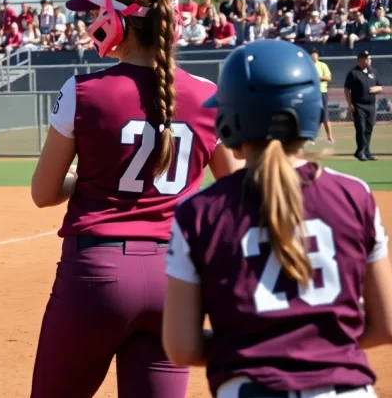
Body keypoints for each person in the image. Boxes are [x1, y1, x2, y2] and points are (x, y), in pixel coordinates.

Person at [29, 0, 242, 398]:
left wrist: (89, 179)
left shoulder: (83, 92)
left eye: (94, 12)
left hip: (96, 278)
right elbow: (237, 191)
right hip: (176, 279)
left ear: (116, 18)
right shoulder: (209, 96)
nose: (90, 22)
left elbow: (43, 193)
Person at [163, 39, 392, 398]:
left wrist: (250, 349)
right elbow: (385, 325)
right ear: (313, 114)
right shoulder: (355, 195)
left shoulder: (199, 213)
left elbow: (182, 348)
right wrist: (321, 344)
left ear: (228, 121)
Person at [344, 51, 383, 161]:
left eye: (369, 58)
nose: (369, 60)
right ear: (360, 60)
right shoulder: (353, 73)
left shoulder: (374, 72)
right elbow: (347, 89)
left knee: (369, 129)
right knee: (361, 128)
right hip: (358, 105)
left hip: (371, 106)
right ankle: (361, 151)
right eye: (366, 58)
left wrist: (378, 89)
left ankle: (366, 151)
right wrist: (350, 103)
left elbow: (380, 86)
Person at [310, 48, 334, 143]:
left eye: (315, 54)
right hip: (312, 93)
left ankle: (330, 137)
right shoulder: (308, 65)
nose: (314, 56)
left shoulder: (323, 65)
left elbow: (328, 78)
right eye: (312, 54)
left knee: (324, 116)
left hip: (322, 92)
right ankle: (312, 137)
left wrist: (317, 77)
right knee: (314, 115)